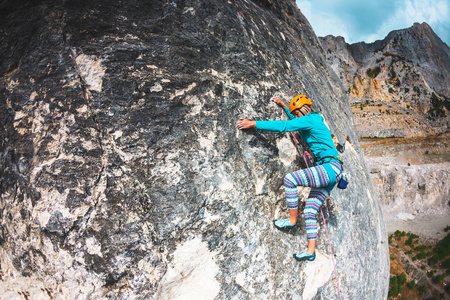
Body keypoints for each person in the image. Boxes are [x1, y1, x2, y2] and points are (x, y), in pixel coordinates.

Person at [236, 95, 342, 261]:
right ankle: (310, 252)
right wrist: (284, 106)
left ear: (301, 111)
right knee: (309, 211)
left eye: (297, 114)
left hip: (328, 169)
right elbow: (295, 122)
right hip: (333, 172)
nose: (297, 118)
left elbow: (286, 126)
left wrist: (254, 123)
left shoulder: (310, 120)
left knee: (290, 180)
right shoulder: (313, 120)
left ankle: (292, 221)